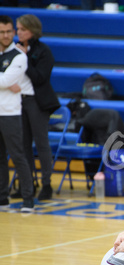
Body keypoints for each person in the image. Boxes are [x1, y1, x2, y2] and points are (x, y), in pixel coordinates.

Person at [12, 14, 60, 201]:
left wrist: (25, 59)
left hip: (37, 102)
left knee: (41, 144)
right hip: (18, 100)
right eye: (18, 29)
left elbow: (39, 77)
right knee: (22, 145)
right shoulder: (13, 50)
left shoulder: (43, 51)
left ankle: (46, 184)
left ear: (33, 30)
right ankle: (27, 184)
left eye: (23, 29)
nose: (19, 32)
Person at [0, 15, 34, 212]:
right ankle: (2, 198)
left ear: (13, 32)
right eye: (2, 32)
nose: (5, 36)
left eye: (8, 32)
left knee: (18, 156)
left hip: (10, 114)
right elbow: (5, 81)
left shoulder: (19, 56)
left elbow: (7, 81)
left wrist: (6, 82)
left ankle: (28, 198)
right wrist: (5, 81)